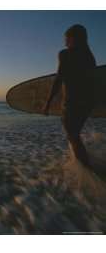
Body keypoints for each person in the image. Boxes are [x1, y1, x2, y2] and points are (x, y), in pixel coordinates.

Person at [43, 24, 96, 168]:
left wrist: (47, 103)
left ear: (74, 38)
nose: (65, 42)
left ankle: (86, 171)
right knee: (75, 135)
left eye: (67, 38)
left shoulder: (65, 54)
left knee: (73, 136)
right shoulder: (90, 58)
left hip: (72, 103)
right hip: (87, 103)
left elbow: (58, 80)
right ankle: (83, 166)